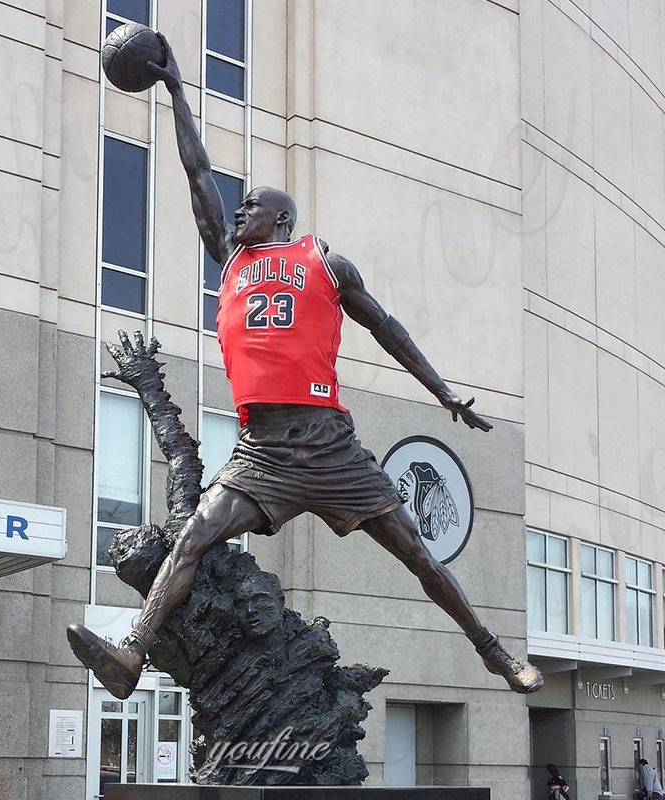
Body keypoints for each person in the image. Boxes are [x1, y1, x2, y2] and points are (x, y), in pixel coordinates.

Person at [67, 33, 544, 700]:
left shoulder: (325, 261)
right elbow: (197, 173)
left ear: (281, 218)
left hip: (329, 443)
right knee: (194, 536)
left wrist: (445, 394)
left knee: (415, 554)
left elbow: (389, 329)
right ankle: (132, 653)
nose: (238, 212)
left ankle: (495, 654)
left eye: (252, 207)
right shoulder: (232, 261)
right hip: (263, 449)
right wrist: (177, 93)